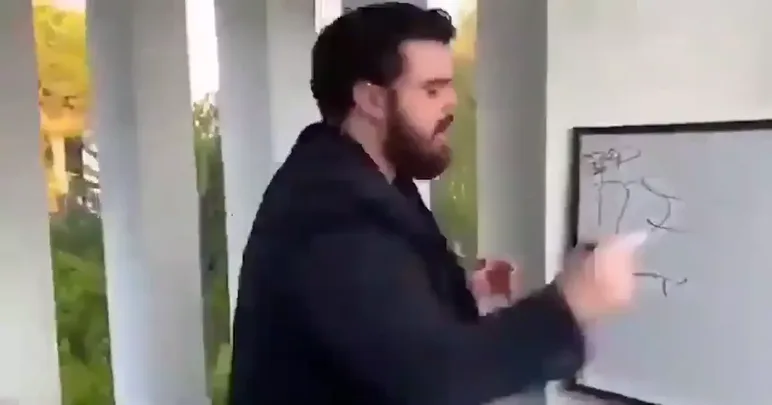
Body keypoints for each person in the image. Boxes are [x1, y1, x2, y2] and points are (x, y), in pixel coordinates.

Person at [228, 3, 645, 404]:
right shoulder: (330, 210)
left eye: (449, 86)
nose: (451, 103)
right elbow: (434, 379)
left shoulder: (373, 182)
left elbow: (379, 332)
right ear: (372, 100)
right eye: (432, 90)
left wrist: (457, 297)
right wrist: (570, 304)